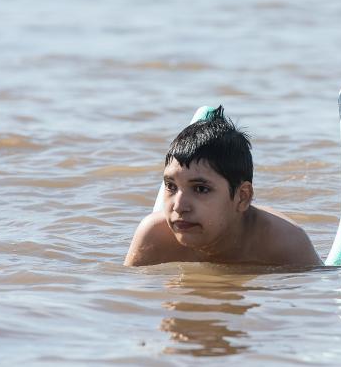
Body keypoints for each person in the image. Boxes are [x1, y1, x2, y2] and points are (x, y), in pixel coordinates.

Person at [124, 107, 321, 267]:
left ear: (242, 197)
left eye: (201, 189)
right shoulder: (154, 236)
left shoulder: (285, 243)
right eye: (171, 186)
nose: (179, 206)